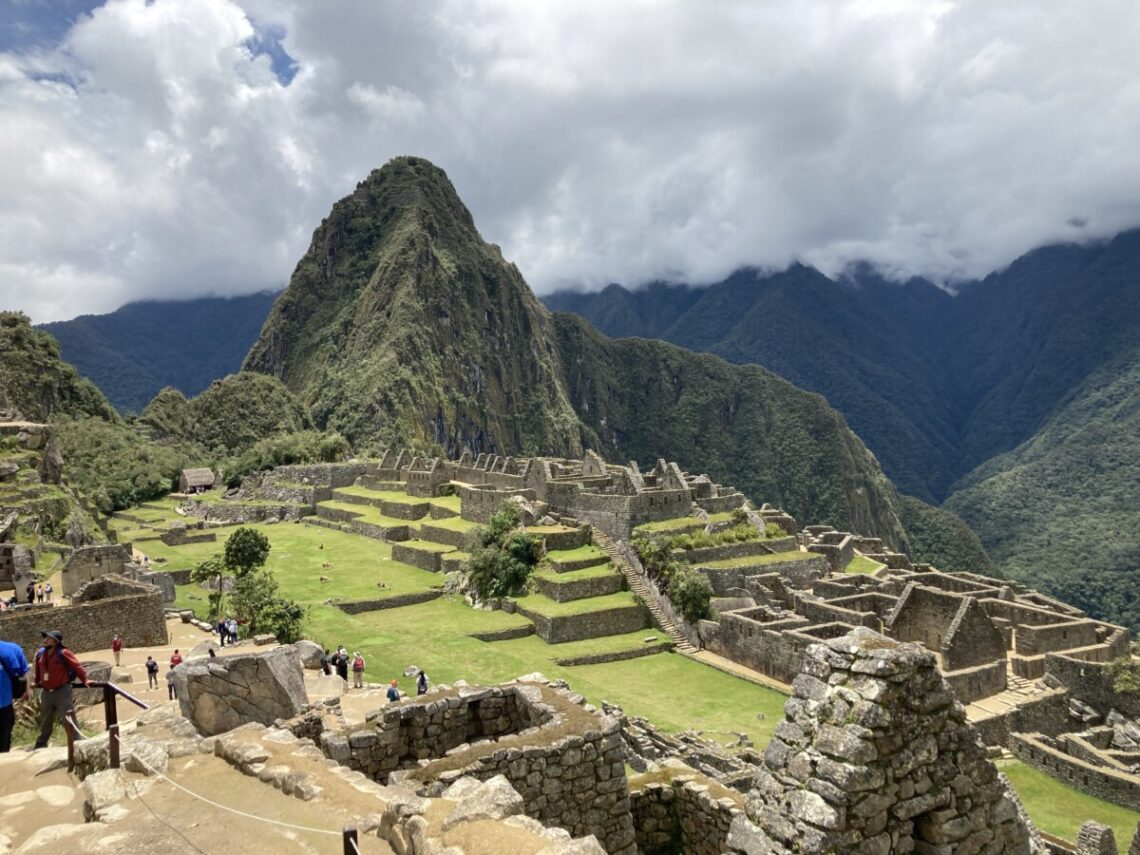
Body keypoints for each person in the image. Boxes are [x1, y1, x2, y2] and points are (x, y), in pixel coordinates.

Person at [32, 630, 87, 749]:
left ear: (56, 642)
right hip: (46, 691)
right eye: (45, 638)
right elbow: (38, 669)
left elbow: (77, 666)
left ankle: (77, 743)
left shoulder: (64, 652)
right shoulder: (40, 654)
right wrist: (36, 682)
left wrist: (85, 680)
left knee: (67, 717)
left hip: (62, 690)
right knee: (45, 719)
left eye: (48, 638)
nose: (45, 640)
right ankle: (41, 744)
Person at [0, 636, 30, 753]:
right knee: (4, 745)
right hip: (5, 708)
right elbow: (25, 671)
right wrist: (28, 690)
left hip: (5, 708)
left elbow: (25, 671)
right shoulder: (12, 648)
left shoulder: (12, 649)